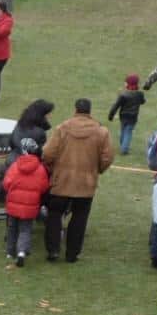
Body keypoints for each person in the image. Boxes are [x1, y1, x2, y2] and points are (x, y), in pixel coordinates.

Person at [39, 98, 115, 264]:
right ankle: (72, 254)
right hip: (86, 183)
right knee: (80, 217)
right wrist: (97, 169)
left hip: (61, 181)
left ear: (75, 110)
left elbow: (48, 153)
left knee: (54, 215)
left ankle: (53, 250)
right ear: (89, 111)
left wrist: (53, 168)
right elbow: (108, 156)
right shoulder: (101, 132)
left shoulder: (62, 128)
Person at [1, 138, 48, 267]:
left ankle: (10, 252)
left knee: (12, 228)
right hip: (30, 206)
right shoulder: (40, 169)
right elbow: (44, 187)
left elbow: (6, 183)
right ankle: (21, 252)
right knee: (25, 230)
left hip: (13, 205)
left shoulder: (15, 166)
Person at [108, 75, 144, 156]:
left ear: (128, 84)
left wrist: (111, 115)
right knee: (128, 131)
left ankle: (123, 147)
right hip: (133, 117)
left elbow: (116, 106)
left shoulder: (123, 95)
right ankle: (124, 148)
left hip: (123, 116)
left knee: (123, 130)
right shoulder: (139, 94)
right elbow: (142, 101)